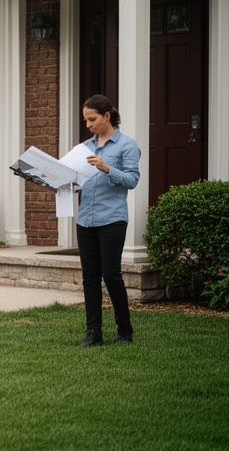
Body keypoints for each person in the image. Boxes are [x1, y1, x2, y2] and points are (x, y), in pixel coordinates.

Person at [76, 94, 141, 347]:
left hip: (112, 218)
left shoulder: (127, 145)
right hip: (85, 219)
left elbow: (132, 180)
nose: (88, 124)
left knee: (111, 275)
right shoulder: (84, 147)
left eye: (92, 119)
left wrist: (106, 168)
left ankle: (125, 330)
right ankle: (94, 334)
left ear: (107, 116)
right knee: (90, 278)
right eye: (85, 120)